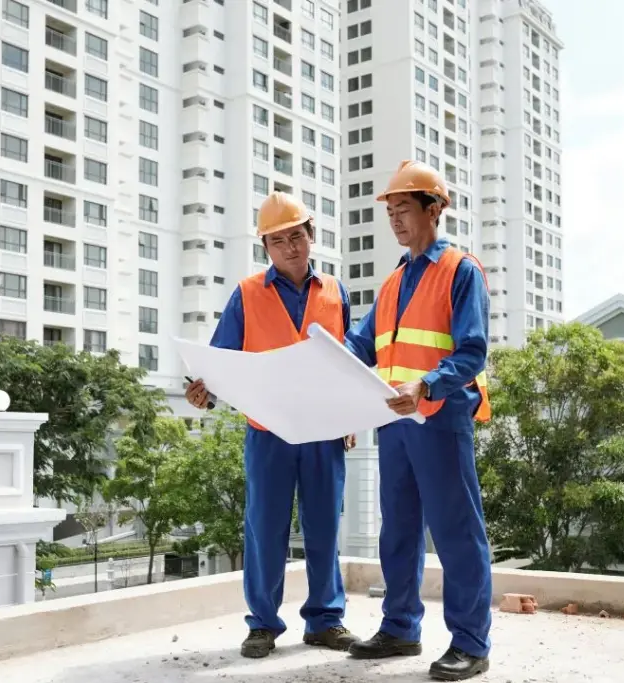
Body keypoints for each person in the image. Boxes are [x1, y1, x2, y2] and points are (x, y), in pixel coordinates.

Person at [185, 191, 360, 659]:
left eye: (296, 236)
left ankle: (325, 620)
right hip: (267, 432)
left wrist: (350, 414)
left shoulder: (335, 292)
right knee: (265, 528)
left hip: (324, 430)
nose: (290, 247)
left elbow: (348, 361)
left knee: (324, 526)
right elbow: (222, 363)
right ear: (266, 247)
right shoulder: (246, 294)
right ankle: (263, 624)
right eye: (278, 240)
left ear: (311, 237)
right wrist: (206, 394)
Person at [343, 161, 494, 681]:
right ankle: (401, 628)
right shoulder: (392, 285)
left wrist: (426, 385)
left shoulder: (460, 270)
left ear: (434, 209)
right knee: (399, 532)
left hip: (440, 417)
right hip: (395, 425)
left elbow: (472, 351)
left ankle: (472, 643)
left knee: (456, 533)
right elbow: (358, 347)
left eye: (403, 209)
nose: (395, 220)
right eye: (390, 212)